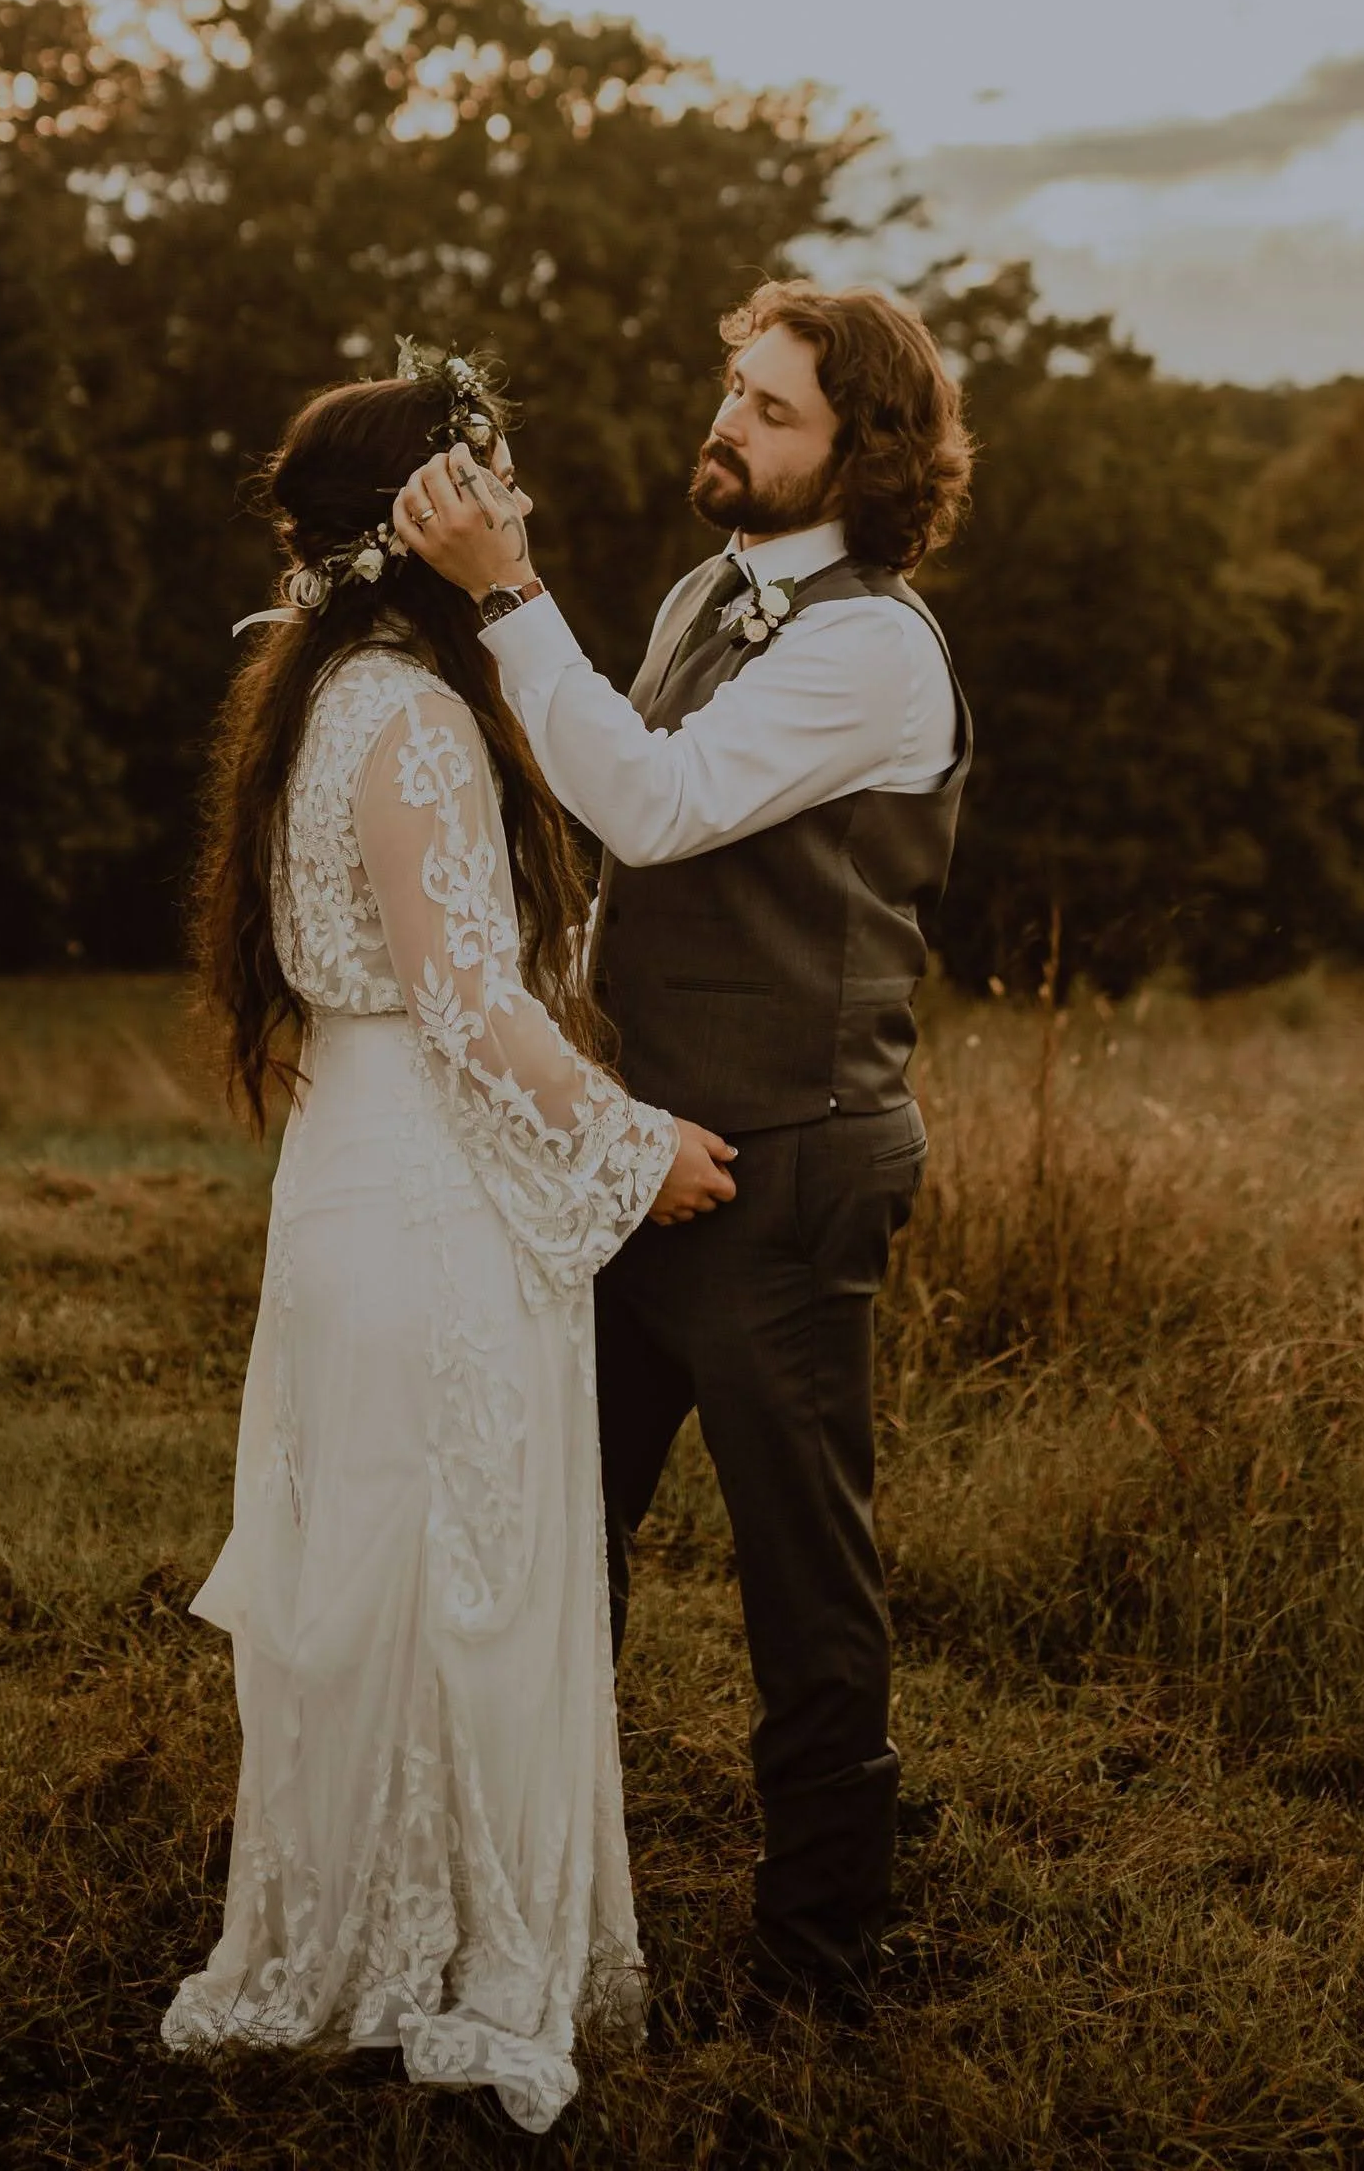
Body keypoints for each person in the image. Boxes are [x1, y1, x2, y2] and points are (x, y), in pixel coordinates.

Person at [160, 347, 737, 2135]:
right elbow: (472, 1005)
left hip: (352, 1180)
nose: (521, 510)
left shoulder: (318, 694)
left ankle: (359, 1942)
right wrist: (641, 1149)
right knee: (462, 1586)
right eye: (491, 484)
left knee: (381, 1594)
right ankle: (457, 1964)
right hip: (421, 1199)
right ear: (426, 518)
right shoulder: (409, 717)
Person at [394, 280, 973, 2010]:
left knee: (802, 1570)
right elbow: (619, 851)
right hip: (643, 1152)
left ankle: (821, 1953)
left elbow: (650, 797)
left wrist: (506, 595)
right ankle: (537, 1876)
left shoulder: (872, 644)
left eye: (774, 410)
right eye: (734, 387)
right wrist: (584, 1093)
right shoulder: (705, 595)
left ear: (861, 457)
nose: (728, 422)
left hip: (793, 1159)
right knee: (560, 1526)